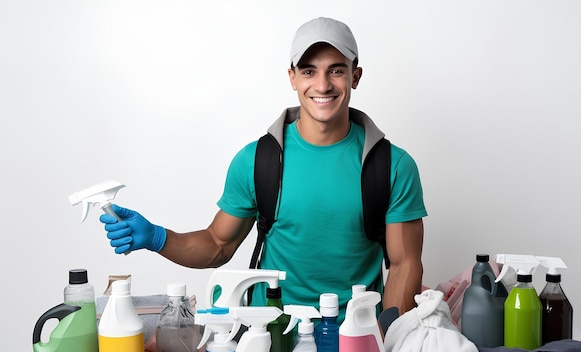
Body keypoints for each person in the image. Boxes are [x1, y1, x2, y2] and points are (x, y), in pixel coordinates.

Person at [101, 17, 427, 321]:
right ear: (293, 78)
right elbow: (218, 243)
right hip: (269, 337)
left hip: (356, 337)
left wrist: (383, 343)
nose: (323, 85)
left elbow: (404, 265)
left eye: (337, 70)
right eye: (309, 71)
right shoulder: (257, 161)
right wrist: (158, 237)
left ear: (355, 75)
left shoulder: (393, 166)